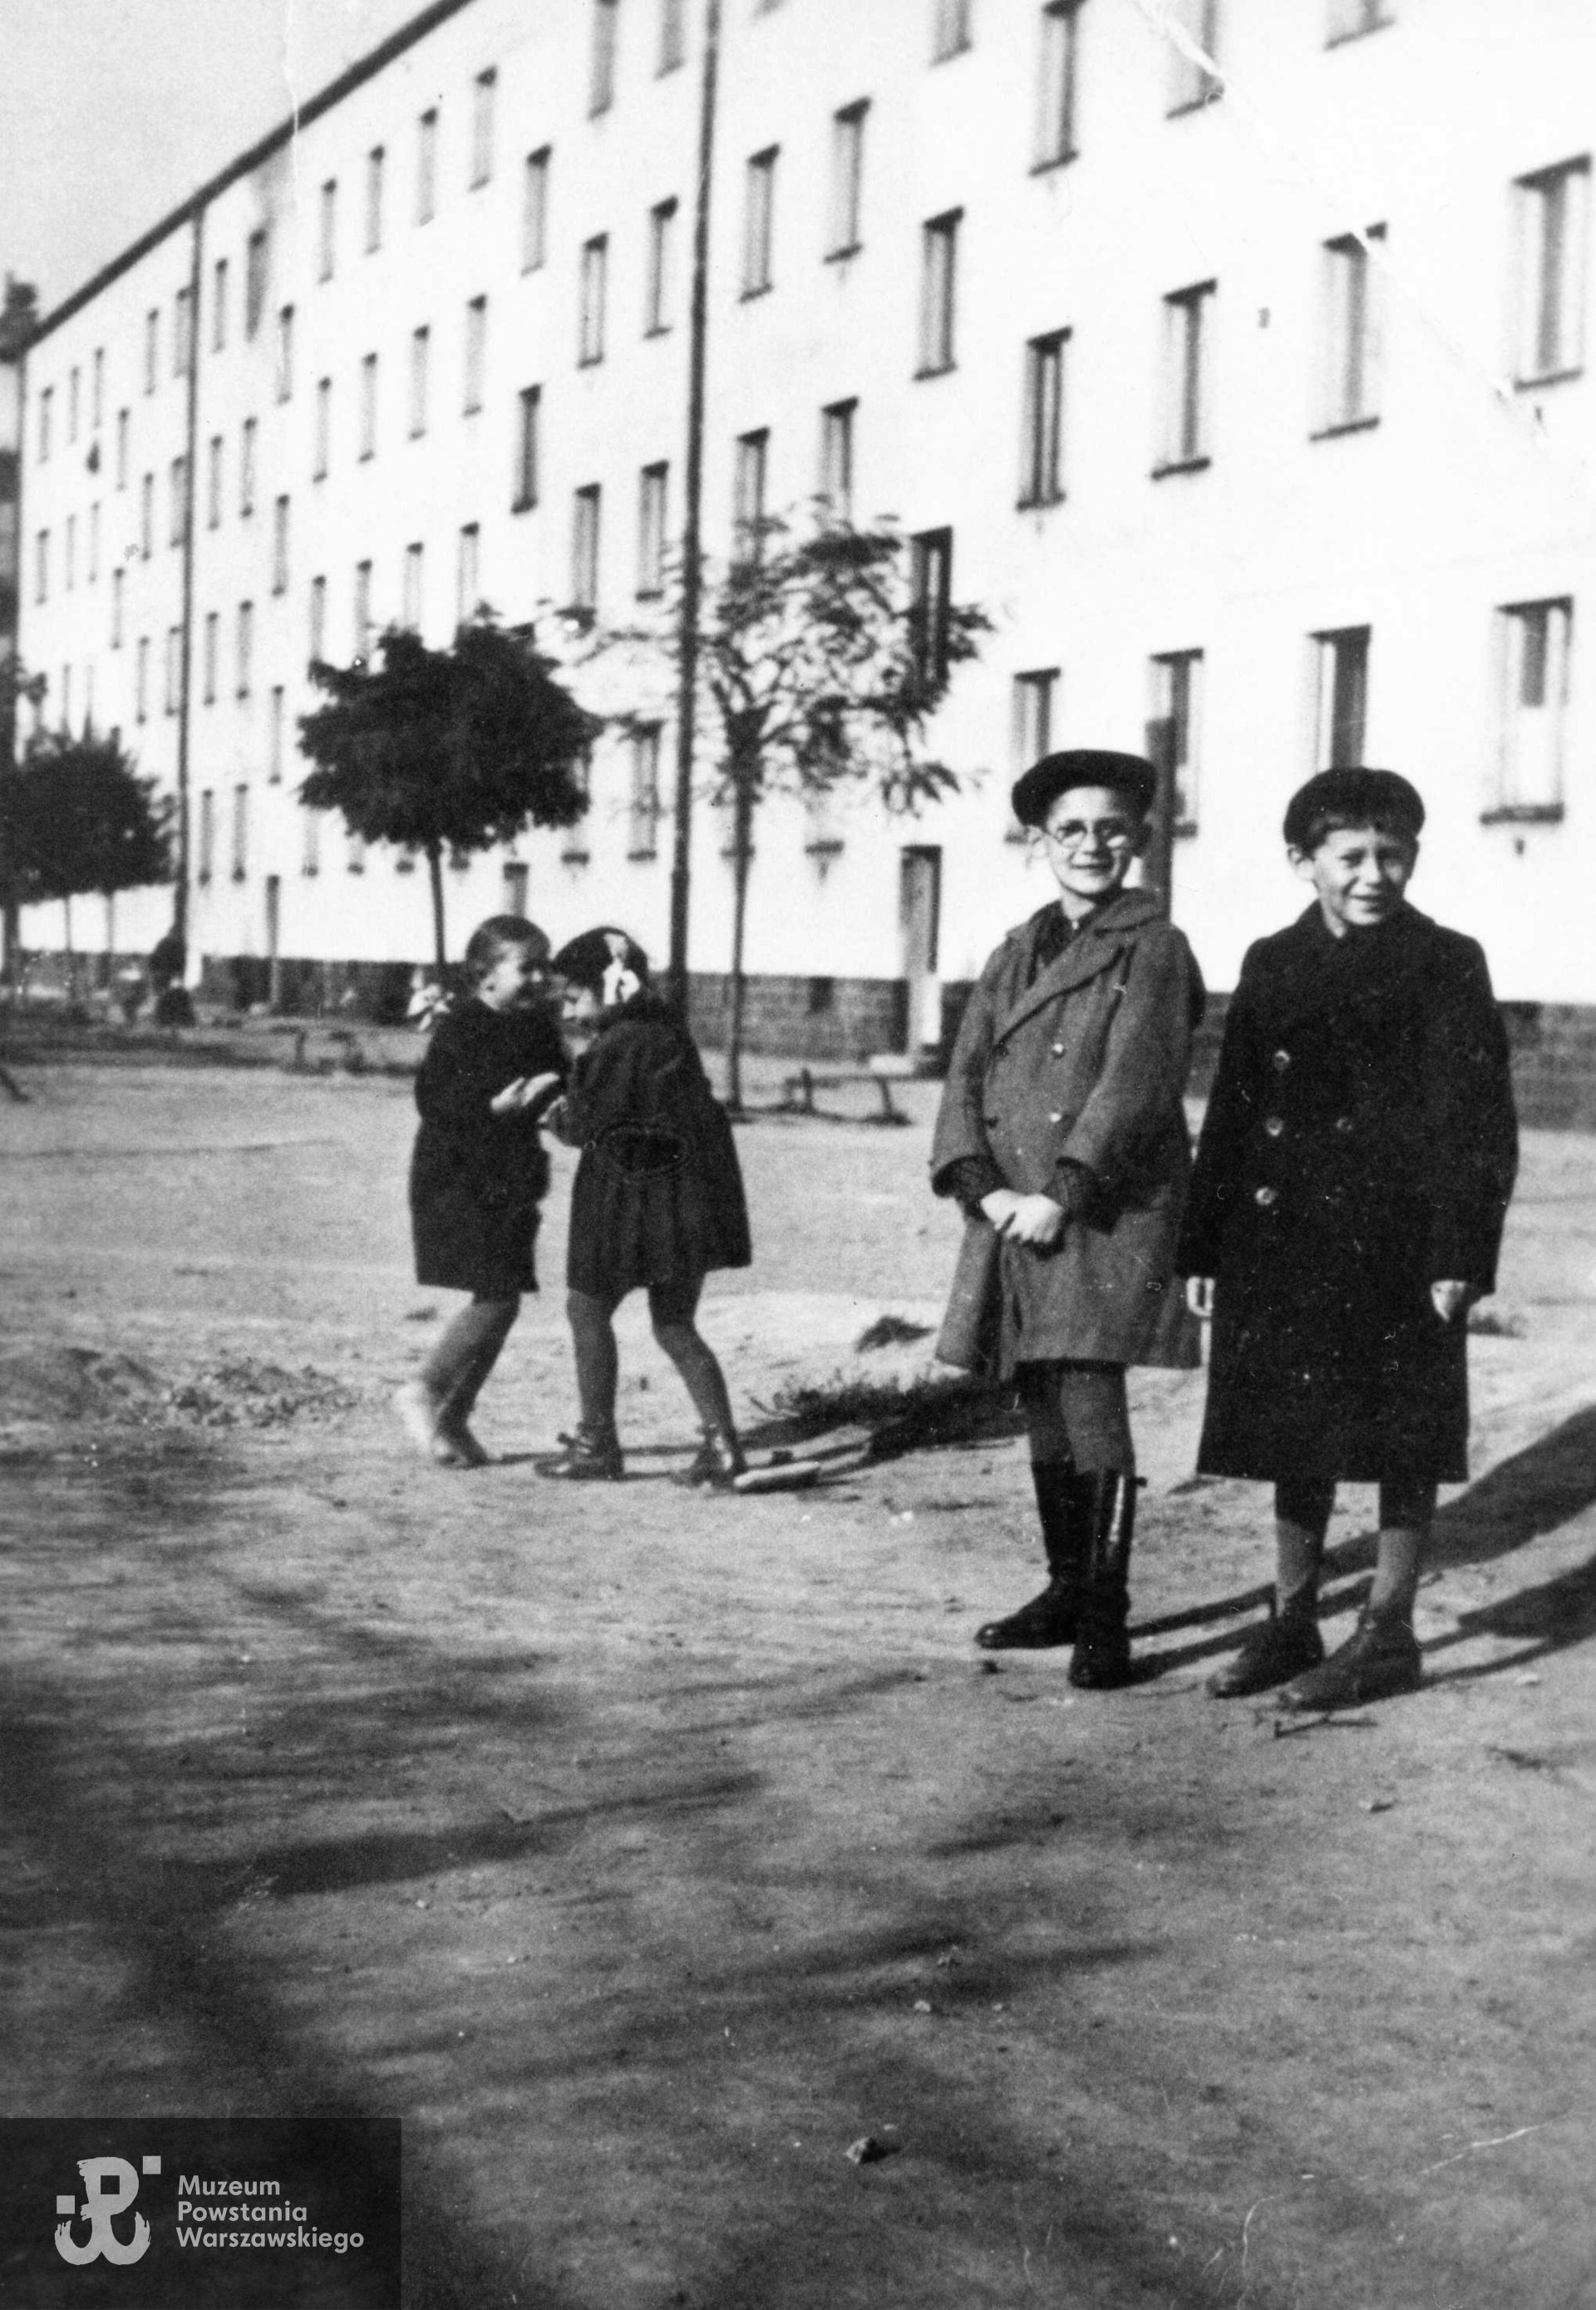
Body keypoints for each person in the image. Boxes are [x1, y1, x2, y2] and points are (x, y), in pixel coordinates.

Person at [1180, 769, 1518, 1709]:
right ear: (1304, 862)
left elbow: (1480, 1123)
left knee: (1406, 1432)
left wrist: (1461, 1251)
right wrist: (1204, 1244)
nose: (1374, 875)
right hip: (1280, 1237)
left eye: (1392, 854)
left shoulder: (1447, 961)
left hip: (1398, 1246)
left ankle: (1388, 1631)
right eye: (1352, 856)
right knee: (1296, 1429)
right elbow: (1234, 1108)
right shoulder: (1271, 960)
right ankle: (1293, 1619)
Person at [932, 751, 1204, 1688]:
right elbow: (966, 1075)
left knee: (1088, 1393)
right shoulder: (1016, 949)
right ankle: (1064, 1586)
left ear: (1141, 839)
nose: (1091, 845)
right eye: (1071, 829)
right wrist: (985, 1188)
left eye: (1111, 829)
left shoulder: (1154, 946)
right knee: (1040, 1391)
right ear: (1039, 841)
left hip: (1098, 1210)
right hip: (1013, 1210)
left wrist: (1061, 1195)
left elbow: (1136, 1086)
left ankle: (1105, 1615)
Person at [537, 927, 752, 1487]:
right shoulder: (668, 1031)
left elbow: (583, 1125)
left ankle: (596, 1443)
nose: (568, 1008)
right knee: (676, 1323)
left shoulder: (617, 1044)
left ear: (610, 987)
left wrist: (553, 1113)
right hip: (686, 1202)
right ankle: (724, 1445)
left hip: (627, 1201)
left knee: (587, 1308)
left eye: (575, 995)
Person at [395, 915, 564, 1467]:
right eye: (527, 967)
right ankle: (426, 1388)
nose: (539, 978)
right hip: (457, 1179)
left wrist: (562, 1102)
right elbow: (434, 1101)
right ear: (485, 974)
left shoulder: (537, 1026)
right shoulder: (463, 1026)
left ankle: (454, 1416)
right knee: (496, 1296)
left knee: (504, 1301)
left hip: (511, 1179)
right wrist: (493, 1107)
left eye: (544, 966)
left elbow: (560, 1082)